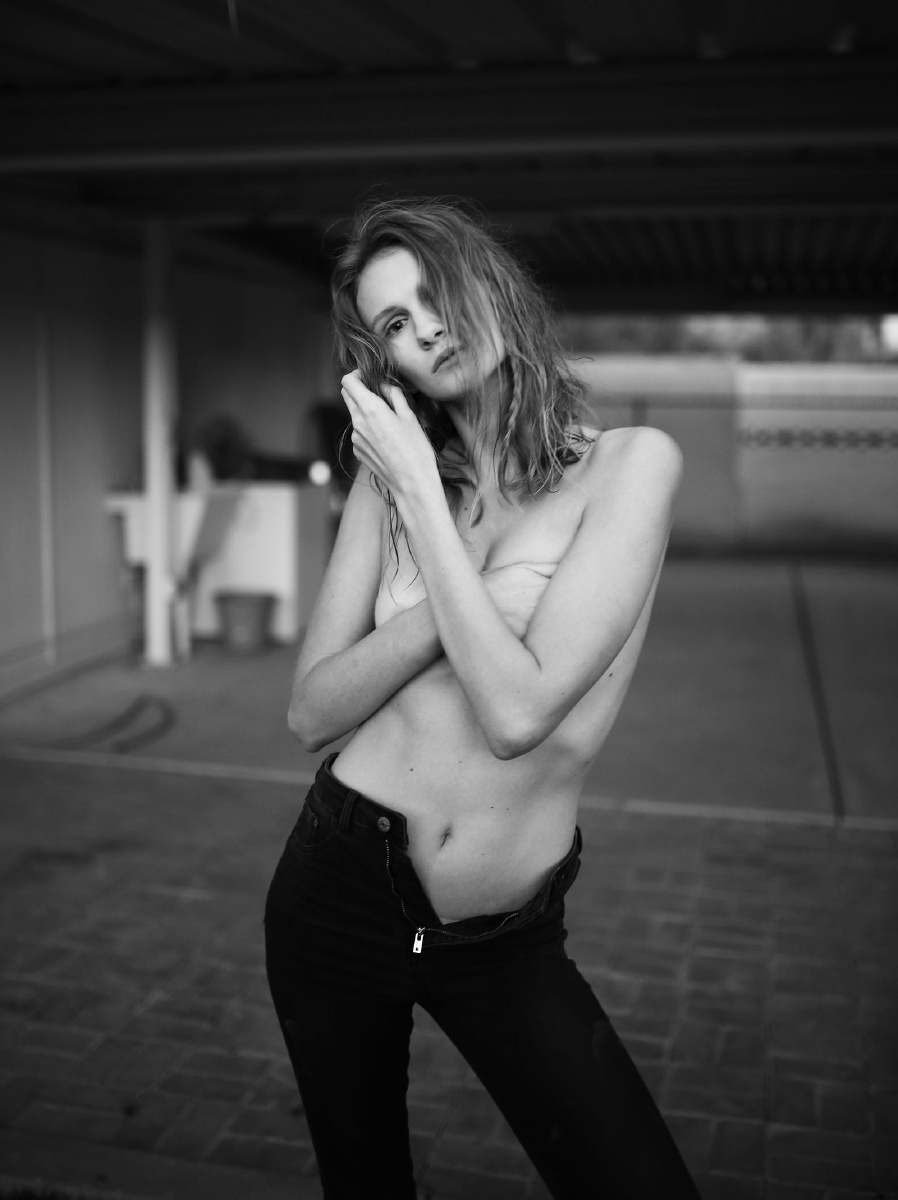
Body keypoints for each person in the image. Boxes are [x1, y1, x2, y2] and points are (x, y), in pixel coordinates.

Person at [264, 198, 700, 1199]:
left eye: (434, 294)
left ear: (491, 286)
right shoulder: (387, 484)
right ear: (384, 363)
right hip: (338, 885)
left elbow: (517, 715)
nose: (426, 330)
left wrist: (426, 511)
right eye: (393, 324)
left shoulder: (629, 466)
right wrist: (447, 576)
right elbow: (311, 713)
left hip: (499, 936)